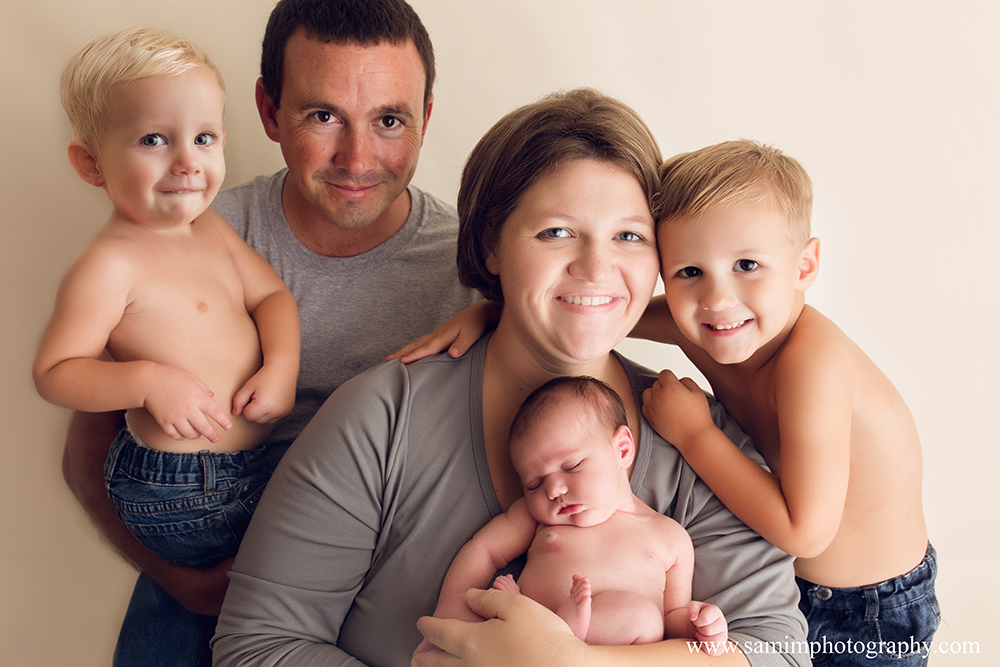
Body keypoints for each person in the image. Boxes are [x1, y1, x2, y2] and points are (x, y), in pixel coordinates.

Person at [213, 88, 808, 667]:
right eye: (555, 232)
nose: (596, 268)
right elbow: (257, 647)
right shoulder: (381, 418)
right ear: (490, 247)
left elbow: (777, 652)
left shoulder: (695, 438)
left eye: (629, 236)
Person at [58, 2, 478, 665]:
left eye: (390, 120)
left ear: (426, 117)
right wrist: (184, 583)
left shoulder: (476, 268)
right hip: (204, 575)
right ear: (268, 110)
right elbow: (88, 457)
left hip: (381, 603)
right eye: (323, 116)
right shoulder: (184, 233)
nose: (356, 157)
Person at [635, 139, 938, 666]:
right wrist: (493, 314)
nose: (717, 298)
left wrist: (694, 434)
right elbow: (601, 314)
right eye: (688, 272)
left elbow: (807, 531)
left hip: (867, 611)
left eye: (747, 264)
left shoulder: (811, 363)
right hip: (787, 591)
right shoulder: (710, 323)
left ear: (804, 266)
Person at [34, 26, 300, 569]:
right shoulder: (110, 264)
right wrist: (148, 380)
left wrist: (282, 366)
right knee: (312, 564)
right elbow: (56, 372)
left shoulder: (211, 229)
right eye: (154, 140)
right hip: (178, 487)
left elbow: (271, 295)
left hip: (246, 465)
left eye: (202, 138)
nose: (186, 162)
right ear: (92, 165)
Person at [416, 375, 727, 655]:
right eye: (533, 484)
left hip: (616, 658)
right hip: (521, 648)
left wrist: (700, 627)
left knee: (644, 618)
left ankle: (566, 638)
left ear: (621, 449)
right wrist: (454, 601)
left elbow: (673, 618)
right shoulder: (537, 517)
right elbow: (485, 549)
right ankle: (560, 633)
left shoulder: (670, 537)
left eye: (571, 466)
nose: (552, 490)